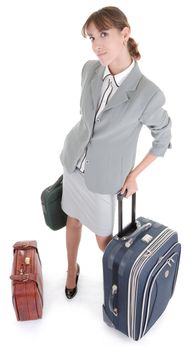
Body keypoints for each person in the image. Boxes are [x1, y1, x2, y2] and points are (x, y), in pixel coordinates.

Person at [60, 6, 172, 299]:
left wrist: (134, 175)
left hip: (104, 178)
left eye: (104, 35)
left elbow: (163, 136)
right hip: (74, 163)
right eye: (92, 37)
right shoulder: (89, 70)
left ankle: (120, 285)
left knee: (104, 240)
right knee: (71, 220)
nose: (97, 45)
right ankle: (72, 269)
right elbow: (89, 121)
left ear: (125, 34)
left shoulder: (147, 93)